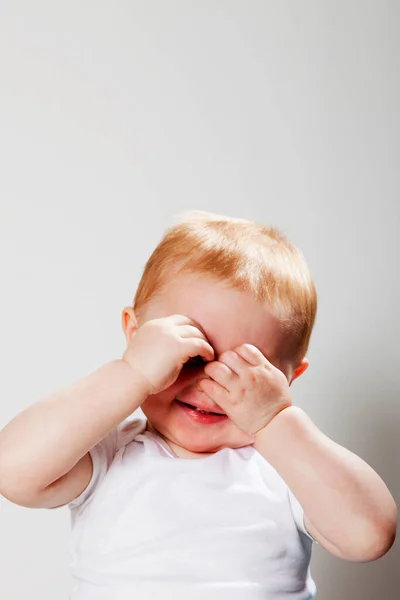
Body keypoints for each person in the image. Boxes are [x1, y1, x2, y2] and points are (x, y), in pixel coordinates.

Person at [0, 211, 397, 600]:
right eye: (189, 357)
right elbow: (13, 470)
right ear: (137, 336)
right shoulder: (109, 456)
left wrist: (275, 420)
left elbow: (369, 536)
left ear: (288, 378)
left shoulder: (286, 468)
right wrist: (130, 373)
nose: (211, 386)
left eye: (243, 370)